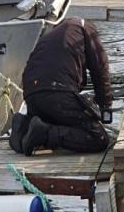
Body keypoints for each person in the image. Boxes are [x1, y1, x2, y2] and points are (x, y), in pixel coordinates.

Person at [9, 17, 113, 156]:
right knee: (98, 138)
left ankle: (24, 126)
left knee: (59, 120)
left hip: (31, 95)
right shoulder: (85, 28)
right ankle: (44, 133)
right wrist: (105, 106)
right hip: (56, 92)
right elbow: (100, 69)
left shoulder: (50, 36)